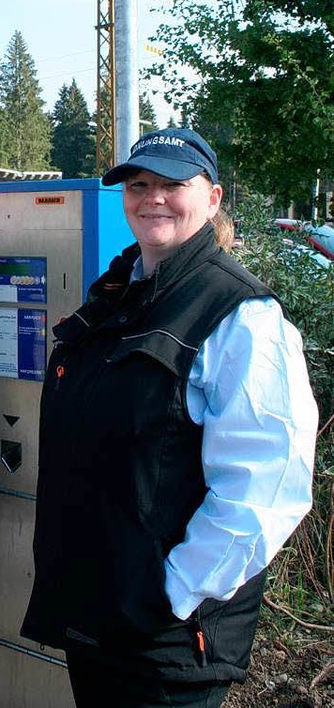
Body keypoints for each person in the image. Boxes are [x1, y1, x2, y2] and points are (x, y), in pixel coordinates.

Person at [21, 128, 318, 708]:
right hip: (100, 616)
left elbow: (265, 487)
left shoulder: (241, 317)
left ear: (212, 199)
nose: (152, 197)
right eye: (139, 184)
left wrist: (170, 593)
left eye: (172, 184)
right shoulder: (118, 295)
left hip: (166, 642)